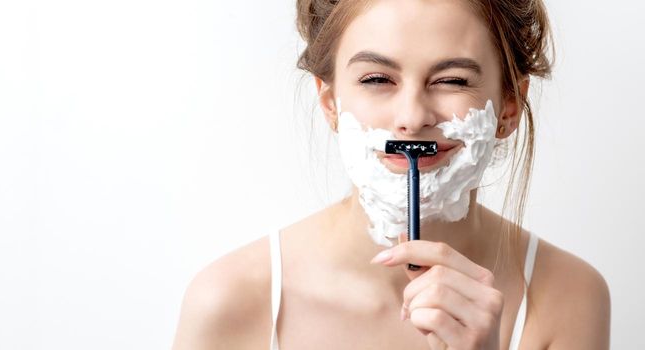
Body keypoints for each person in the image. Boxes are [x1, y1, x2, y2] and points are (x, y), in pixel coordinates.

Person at [172, 0, 610, 349]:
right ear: (330, 103)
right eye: (378, 78)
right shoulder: (228, 300)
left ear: (509, 106)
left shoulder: (569, 297)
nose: (411, 118)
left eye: (452, 80)